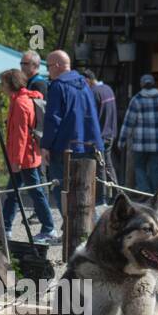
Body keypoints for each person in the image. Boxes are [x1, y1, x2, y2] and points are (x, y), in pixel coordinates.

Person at [0, 69, 57, 242]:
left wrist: (16, 160)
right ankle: (6, 227)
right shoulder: (19, 100)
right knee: (13, 192)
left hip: (25, 158)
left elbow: (20, 135)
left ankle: (49, 227)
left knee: (35, 192)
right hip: (25, 156)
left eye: (3, 83)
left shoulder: (20, 103)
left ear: (11, 84)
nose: (1, 87)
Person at [40, 49, 102, 205]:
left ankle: (72, 228)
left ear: (57, 65)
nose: (48, 71)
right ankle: (86, 228)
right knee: (84, 192)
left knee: (62, 191)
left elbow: (53, 119)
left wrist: (45, 146)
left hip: (64, 148)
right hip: (88, 146)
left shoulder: (58, 86)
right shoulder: (85, 86)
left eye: (48, 66)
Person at [119, 73, 158, 199]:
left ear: (142, 85)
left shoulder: (136, 100)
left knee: (139, 167)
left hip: (140, 143)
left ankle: (144, 191)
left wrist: (121, 140)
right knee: (155, 169)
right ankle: (156, 195)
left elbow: (128, 123)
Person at [83, 68, 118, 185]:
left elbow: (90, 117)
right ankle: (117, 193)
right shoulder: (108, 89)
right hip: (110, 133)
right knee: (108, 165)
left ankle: (102, 198)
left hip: (99, 135)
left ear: (87, 80)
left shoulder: (93, 93)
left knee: (100, 167)